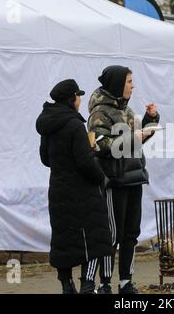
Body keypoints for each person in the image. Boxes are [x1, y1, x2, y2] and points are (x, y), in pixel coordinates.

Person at [36, 79, 113, 294]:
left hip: (58, 189)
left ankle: (66, 284)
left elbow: (45, 159)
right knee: (92, 239)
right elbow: (85, 162)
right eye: (78, 96)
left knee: (63, 240)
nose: (80, 100)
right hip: (82, 191)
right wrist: (101, 178)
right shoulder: (74, 125)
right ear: (72, 99)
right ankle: (87, 286)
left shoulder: (47, 125)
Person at [87, 65, 159, 294]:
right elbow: (99, 146)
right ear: (118, 84)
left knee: (131, 234)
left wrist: (150, 121)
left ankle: (126, 282)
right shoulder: (99, 114)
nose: (133, 85)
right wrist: (131, 137)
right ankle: (105, 283)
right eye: (129, 81)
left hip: (134, 178)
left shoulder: (126, 111)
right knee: (112, 235)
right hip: (114, 181)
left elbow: (134, 143)